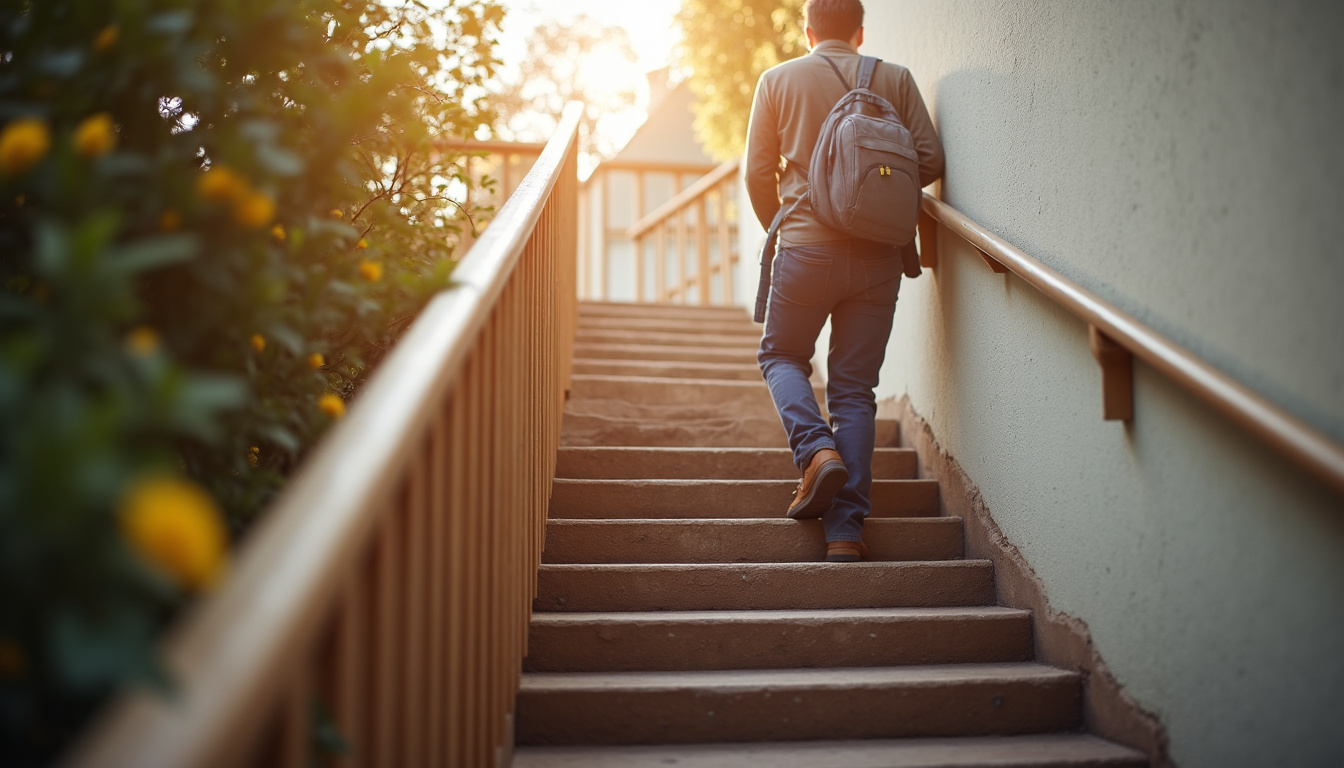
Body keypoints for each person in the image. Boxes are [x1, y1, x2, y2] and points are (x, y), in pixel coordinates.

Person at [745, 0, 944, 561]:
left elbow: (757, 172)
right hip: (881, 257)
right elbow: (928, 159)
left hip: (806, 249)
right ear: (860, 32)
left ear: (808, 31)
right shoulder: (896, 79)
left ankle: (814, 452)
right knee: (854, 390)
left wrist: (788, 227)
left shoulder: (777, 81)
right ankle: (845, 533)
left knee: (782, 356)